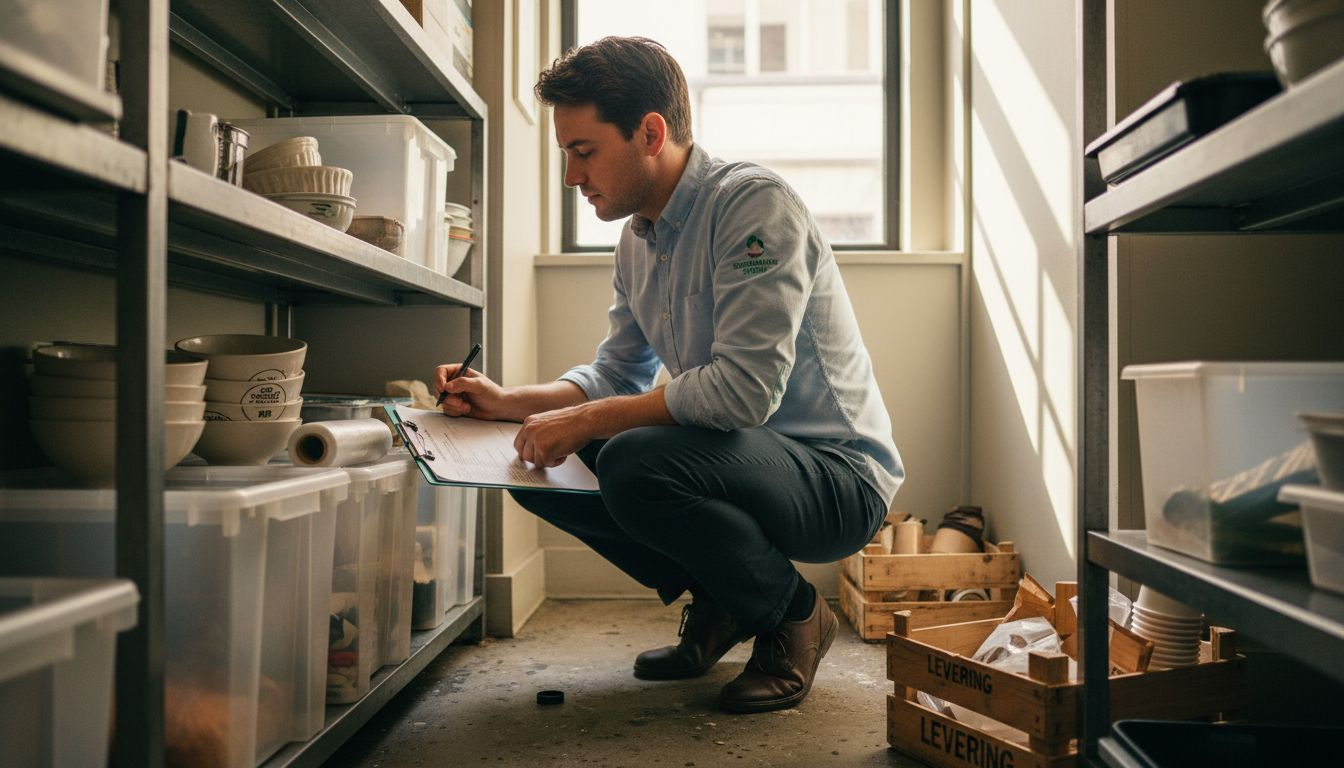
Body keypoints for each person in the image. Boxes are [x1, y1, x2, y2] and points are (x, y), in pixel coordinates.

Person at [434, 35, 903, 713]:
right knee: (535, 463)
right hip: (744, 461)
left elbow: (742, 392)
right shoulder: (637, 240)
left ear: (650, 132)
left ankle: (795, 616)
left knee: (629, 458)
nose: (571, 176)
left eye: (582, 150)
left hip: (836, 478)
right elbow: (616, 373)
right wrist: (507, 404)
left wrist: (589, 419)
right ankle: (724, 599)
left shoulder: (752, 207)